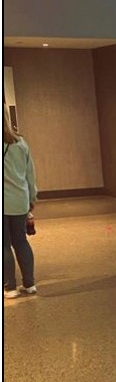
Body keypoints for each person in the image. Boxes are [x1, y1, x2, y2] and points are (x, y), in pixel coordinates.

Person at [3, 109, 38, 299]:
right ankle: (30, 283)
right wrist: (32, 196)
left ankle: (10, 288)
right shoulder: (20, 142)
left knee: (4, 245)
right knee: (21, 241)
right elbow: (29, 173)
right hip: (19, 200)